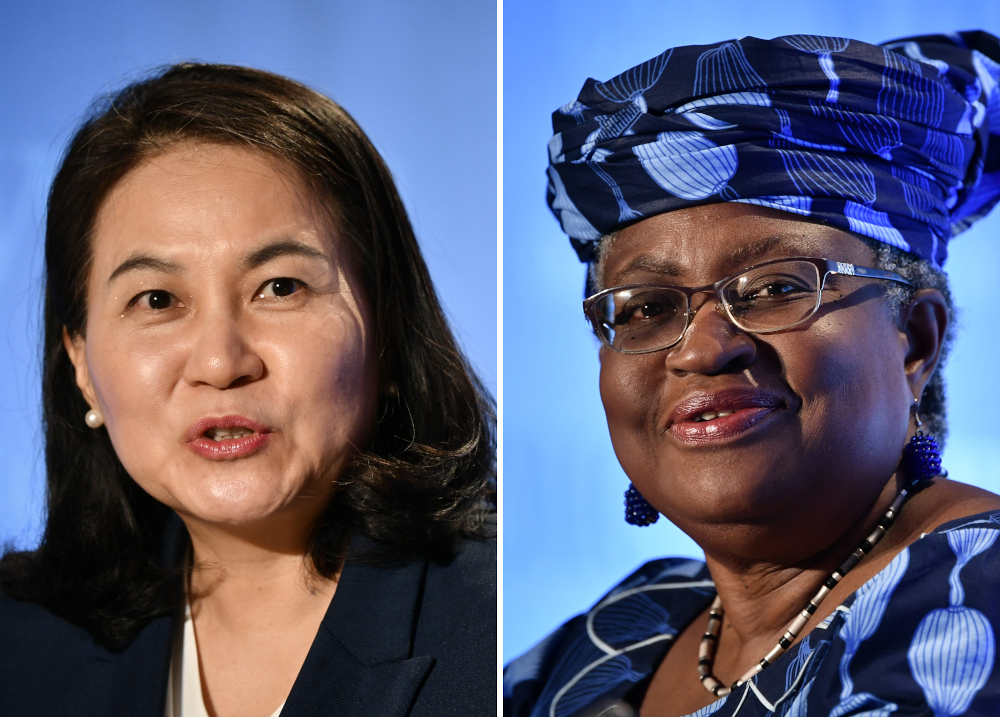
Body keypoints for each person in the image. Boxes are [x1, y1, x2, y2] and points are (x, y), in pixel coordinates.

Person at [505, 31, 1000, 717]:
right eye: (647, 308)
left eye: (774, 288)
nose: (703, 350)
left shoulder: (971, 602)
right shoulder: (622, 628)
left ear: (913, 340)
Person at [0, 64, 496, 717]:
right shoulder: (19, 650)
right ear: (81, 365)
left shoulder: (498, 645)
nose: (220, 361)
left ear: (388, 332)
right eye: (157, 300)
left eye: (280, 288)